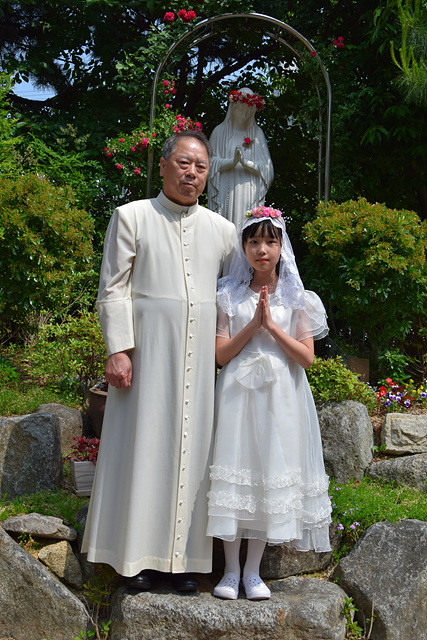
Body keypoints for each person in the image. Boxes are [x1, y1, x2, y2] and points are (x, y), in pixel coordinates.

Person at [82, 130, 237, 593]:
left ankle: (186, 562)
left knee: (195, 454)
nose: (192, 173)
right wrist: (117, 349)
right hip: (146, 357)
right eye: (184, 163)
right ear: (165, 164)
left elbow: (238, 291)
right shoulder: (131, 216)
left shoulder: (223, 230)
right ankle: (136, 558)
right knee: (144, 449)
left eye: (201, 167)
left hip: (200, 363)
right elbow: (112, 288)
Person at [206, 206, 332, 600]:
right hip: (236, 393)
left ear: (281, 248)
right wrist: (253, 324)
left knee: (268, 472)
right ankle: (229, 571)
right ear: (244, 247)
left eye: (270, 242)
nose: (262, 249)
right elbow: (221, 355)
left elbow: (307, 358)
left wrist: (272, 326)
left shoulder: (298, 298)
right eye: (254, 242)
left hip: (281, 395)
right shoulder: (228, 294)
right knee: (235, 469)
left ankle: (252, 572)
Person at [207, 88, 274, 228]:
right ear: (233, 108)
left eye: (248, 111)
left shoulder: (257, 134)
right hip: (226, 187)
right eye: (241, 110)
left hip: (248, 190)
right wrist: (231, 162)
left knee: (245, 226)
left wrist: (245, 163)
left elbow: (268, 169)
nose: (244, 115)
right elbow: (209, 164)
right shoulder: (219, 132)